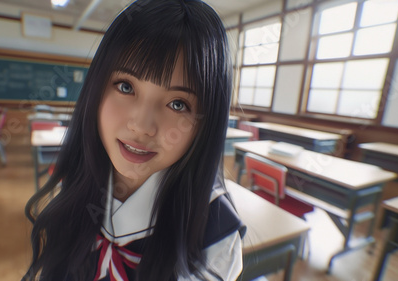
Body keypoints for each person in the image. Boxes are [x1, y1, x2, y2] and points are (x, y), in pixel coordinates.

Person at [23, 0, 246, 280]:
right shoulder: (82, 179)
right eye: (125, 86)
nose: (141, 127)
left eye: (178, 104)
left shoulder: (214, 233)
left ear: (207, 122)